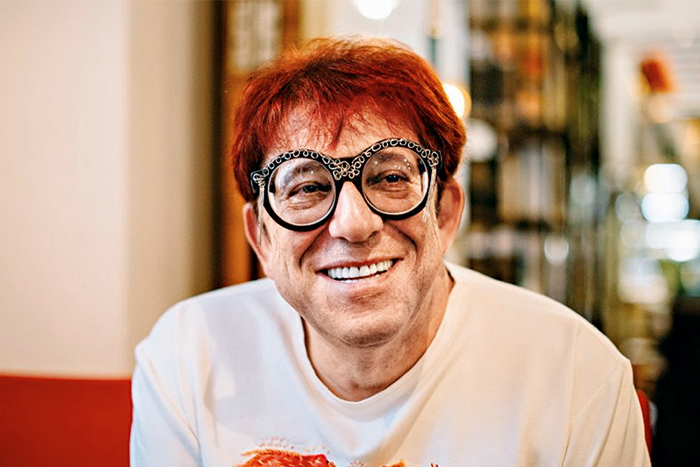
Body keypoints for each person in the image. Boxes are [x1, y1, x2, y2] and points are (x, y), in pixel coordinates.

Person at [130, 37, 650, 467]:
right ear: (261, 237)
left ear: (445, 213)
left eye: (391, 178)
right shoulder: (190, 356)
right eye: (307, 187)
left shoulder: (575, 375)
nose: (354, 224)